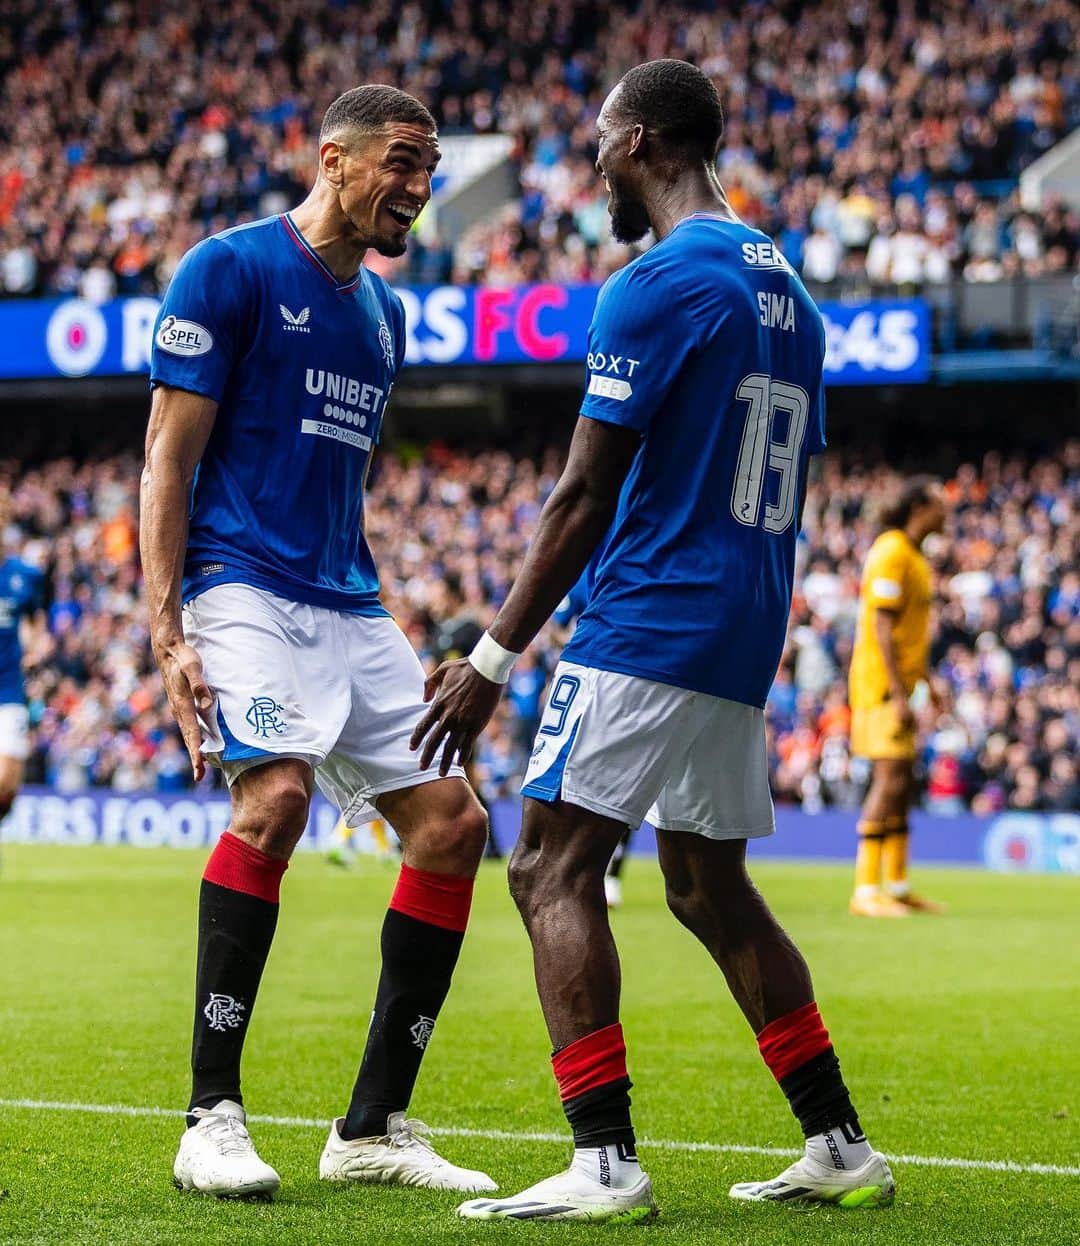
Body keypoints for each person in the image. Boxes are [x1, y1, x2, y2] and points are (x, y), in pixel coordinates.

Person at [412, 60, 894, 1222]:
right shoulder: (792, 289)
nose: (592, 166)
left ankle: (603, 1161)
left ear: (640, 140)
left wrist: (489, 657)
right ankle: (838, 1143)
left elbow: (583, 494)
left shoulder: (659, 280)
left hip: (650, 614)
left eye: (598, 145)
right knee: (701, 880)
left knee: (548, 868)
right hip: (742, 625)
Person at [142, 84, 495, 1202]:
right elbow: (166, 457)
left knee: (454, 824)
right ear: (332, 159)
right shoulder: (231, 268)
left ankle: (374, 1123)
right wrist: (168, 631)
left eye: (430, 169)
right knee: (275, 800)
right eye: (402, 161)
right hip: (238, 585)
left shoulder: (384, 316)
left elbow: (335, 485)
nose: (419, 188)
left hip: (346, 600)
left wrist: (375, 615)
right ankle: (211, 1115)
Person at [848, 478, 948, 917]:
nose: (947, 511)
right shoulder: (891, 550)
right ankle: (866, 890)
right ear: (920, 507)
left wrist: (928, 681)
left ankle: (897, 884)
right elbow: (881, 627)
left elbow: (909, 634)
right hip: (880, 686)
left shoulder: (913, 556)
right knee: (888, 779)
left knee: (902, 782)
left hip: (902, 685)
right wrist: (896, 691)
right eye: (940, 503)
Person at [0, 497, 44, 833]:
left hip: (9, 687)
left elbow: (37, 627)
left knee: (6, 784)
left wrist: (35, 650)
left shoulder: (24, 576)